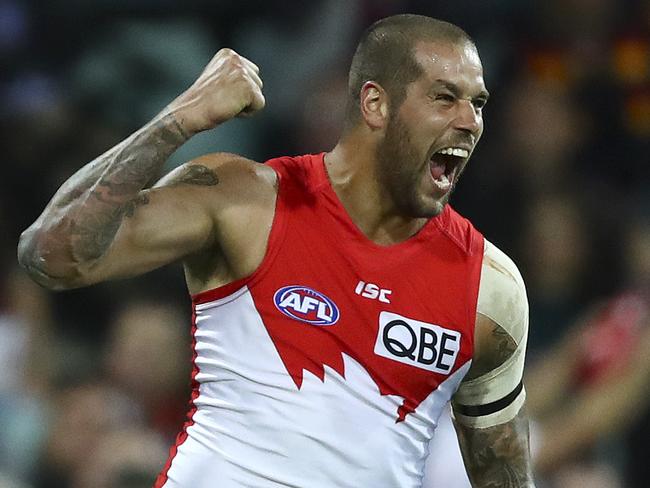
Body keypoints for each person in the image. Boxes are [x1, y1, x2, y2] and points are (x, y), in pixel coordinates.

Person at [18, 14, 535, 488]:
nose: (470, 121)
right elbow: (52, 254)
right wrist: (179, 119)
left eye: (479, 103)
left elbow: (502, 471)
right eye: (445, 98)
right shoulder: (246, 200)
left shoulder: (489, 288)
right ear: (375, 103)